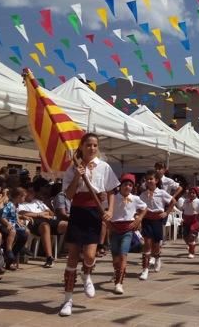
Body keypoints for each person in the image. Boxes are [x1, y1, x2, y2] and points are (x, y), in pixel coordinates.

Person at [59, 133, 120, 317]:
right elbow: (68, 195)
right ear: (82, 146)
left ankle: (87, 274)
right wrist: (78, 176)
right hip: (77, 211)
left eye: (95, 145)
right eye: (88, 145)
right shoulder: (72, 169)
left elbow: (111, 190)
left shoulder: (104, 167)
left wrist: (109, 210)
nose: (92, 148)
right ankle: (67, 300)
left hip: (95, 213)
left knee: (90, 255)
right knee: (72, 257)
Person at [109, 173, 147, 294]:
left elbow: (144, 207)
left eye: (130, 185)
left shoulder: (135, 198)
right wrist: (107, 223)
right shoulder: (113, 198)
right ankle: (117, 272)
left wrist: (139, 219)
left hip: (127, 230)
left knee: (123, 254)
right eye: (125, 184)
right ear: (120, 185)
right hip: (114, 229)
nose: (128, 187)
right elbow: (104, 210)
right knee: (115, 258)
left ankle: (119, 283)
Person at [18, 184, 68, 268]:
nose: (32, 193)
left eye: (33, 191)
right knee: (45, 226)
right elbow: (22, 213)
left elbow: (51, 213)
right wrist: (40, 215)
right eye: (30, 192)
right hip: (33, 222)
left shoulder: (37, 201)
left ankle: (75, 252)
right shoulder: (21, 203)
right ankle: (49, 257)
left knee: (67, 225)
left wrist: (43, 214)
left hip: (48, 219)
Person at [138, 170, 176, 281]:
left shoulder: (162, 193)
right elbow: (138, 206)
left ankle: (157, 257)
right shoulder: (143, 194)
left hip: (157, 220)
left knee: (156, 245)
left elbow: (173, 201)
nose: (149, 181)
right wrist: (138, 217)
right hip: (147, 220)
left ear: (156, 181)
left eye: (151, 179)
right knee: (147, 244)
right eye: (147, 179)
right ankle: (145, 269)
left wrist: (166, 212)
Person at [1, 187, 30, 270]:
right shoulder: (9, 205)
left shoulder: (16, 205)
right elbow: (3, 217)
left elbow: (16, 217)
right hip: (7, 225)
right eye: (23, 197)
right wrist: (7, 224)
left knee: (26, 231)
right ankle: (9, 250)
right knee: (13, 231)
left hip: (14, 224)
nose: (24, 199)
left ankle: (22, 247)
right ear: (18, 196)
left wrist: (21, 222)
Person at [179, 187, 199, 258]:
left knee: (191, 236)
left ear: (196, 194)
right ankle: (191, 245)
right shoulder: (185, 201)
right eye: (190, 193)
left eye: (193, 193)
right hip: (186, 220)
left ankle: (191, 252)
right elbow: (183, 209)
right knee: (185, 236)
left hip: (194, 220)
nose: (191, 194)